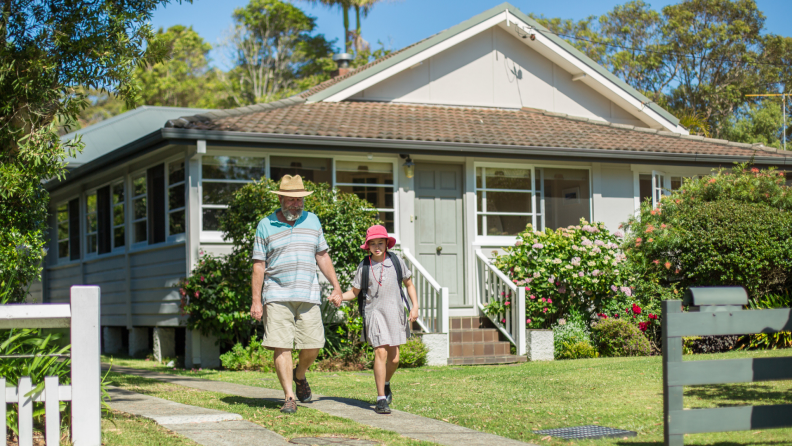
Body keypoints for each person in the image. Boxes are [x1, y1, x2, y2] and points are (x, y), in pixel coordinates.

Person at [250, 175, 343, 414]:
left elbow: (322, 255)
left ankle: (299, 375)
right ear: (280, 198)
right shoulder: (265, 224)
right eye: (291, 200)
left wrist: (336, 285)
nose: (296, 204)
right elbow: (259, 265)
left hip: (308, 294)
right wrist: (256, 301)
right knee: (281, 346)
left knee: (313, 344)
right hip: (277, 293)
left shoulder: (313, 221)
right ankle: (289, 397)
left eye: (299, 200)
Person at [338, 225, 419, 414]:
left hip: (395, 312)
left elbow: (409, 284)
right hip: (374, 313)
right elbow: (354, 292)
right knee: (380, 352)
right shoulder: (364, 265)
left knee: (395, 358)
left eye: (380, 243)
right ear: (367, 246)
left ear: (386, 244)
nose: (376, 247)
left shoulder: (396, 261)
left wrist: (414, 306)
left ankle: (387, 382)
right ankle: (381, 398)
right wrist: (340, 296)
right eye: (372, 243)